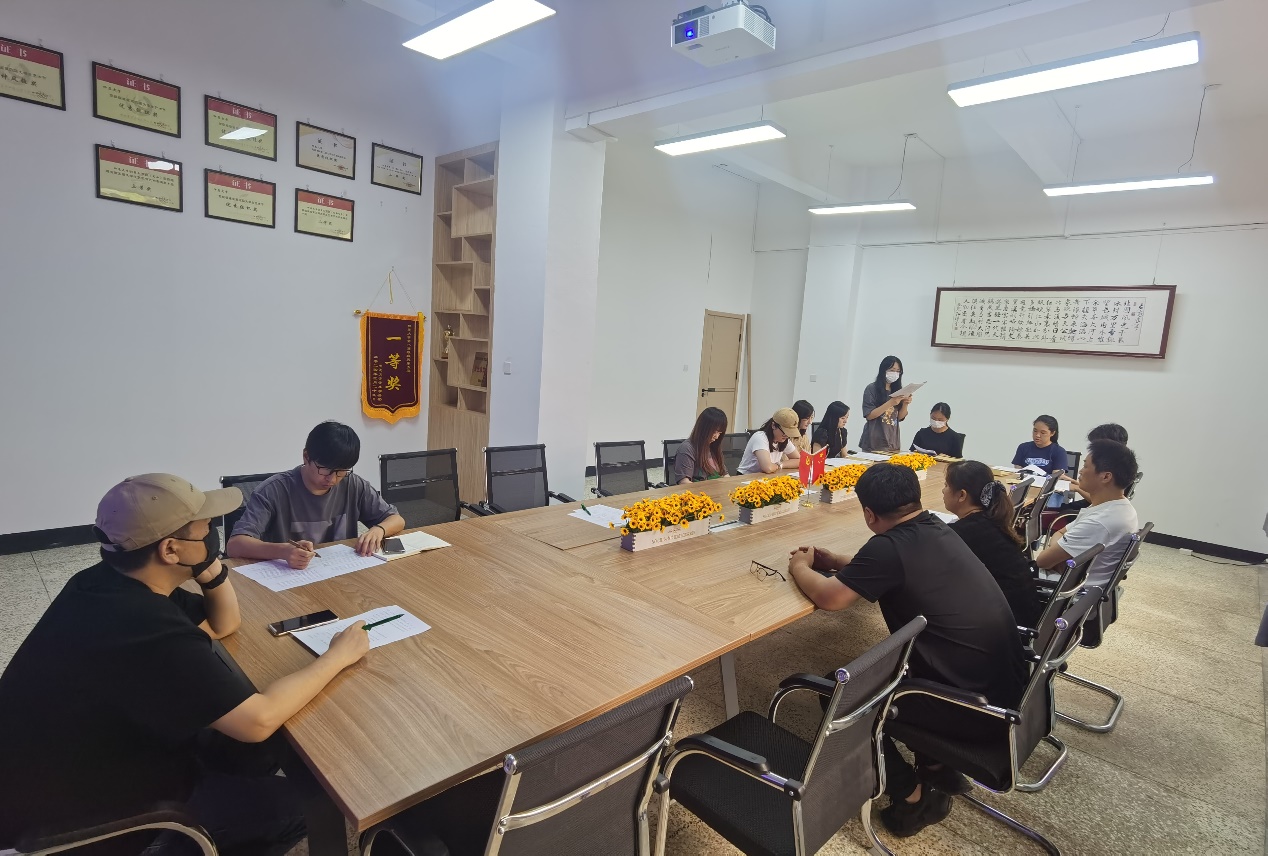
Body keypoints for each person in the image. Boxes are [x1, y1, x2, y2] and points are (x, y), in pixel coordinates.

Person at [0, 474, 370, 855]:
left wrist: (209, 569)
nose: (212, 535)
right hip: (93, 820)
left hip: (95, 760)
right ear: (170, 550)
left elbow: (224, 623)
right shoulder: (147, 628)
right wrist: (337, 656)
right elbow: (257, 720)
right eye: (204, 529)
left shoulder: (107, 582)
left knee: (265, 747)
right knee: (304, 804)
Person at [786, 464, 1028, 837]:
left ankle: (912, 795)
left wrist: (800, 566)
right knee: (879, 676)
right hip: (1005, 692)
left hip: (972, 709)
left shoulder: (890, 547)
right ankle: (937, 769)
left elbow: (830, 598)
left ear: (869, 514)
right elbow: (888, 565)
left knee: (838, 694)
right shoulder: (936, 528)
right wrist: (836, 561)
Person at [227, 421, 406, 568]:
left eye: (341, 471)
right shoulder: (273, 490)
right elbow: (235, 545)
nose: (333, 479)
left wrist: (379, 529)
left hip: (339, 572)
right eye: (325, 470)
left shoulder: (353, 484)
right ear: (306, 457)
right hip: (289, 577)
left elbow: (397, 520)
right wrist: (283, 551)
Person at [942, 461, 1043, 627]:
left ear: (962, 495)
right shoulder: (993, 521)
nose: (943, 490)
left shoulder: (961, 534)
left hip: (1003, 628)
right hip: (1025, 617)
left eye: (946, 485)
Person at [1035, 439, 1140, 585]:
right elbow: (1060, 533)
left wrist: (1057, 554)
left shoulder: (1100, 522)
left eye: (1085, 466)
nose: (1080, 471)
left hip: (1060, 587)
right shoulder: (1117, 506)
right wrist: (1059, 552)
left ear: (1106, 477)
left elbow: (1042, 561)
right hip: (1075, 582)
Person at [860, 356, 912, 453]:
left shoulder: (898, 390)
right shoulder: (872, 388)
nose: (895, 373)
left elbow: (899, 417)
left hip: (892, 440)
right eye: (892, 370)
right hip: (874, 440)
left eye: (898, 371)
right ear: (883, 370)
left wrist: (905, 404)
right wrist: (891, 402)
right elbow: (869, 415)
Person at [737, 408, 802, 475]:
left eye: (789, 433)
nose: (786, 436)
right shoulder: (760, 437)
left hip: (765, 476)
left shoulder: (784, 439)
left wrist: (780, 464)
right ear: (773, 425)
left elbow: (800, 461)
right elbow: (768, 468)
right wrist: (776, 466)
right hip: (746, 477)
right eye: (784, 432)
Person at [674, 406, 728, 484]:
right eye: (714, 432)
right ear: (704, 429)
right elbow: (684, 482)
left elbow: (725, 474)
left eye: (720, 433)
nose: (717, 437)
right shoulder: (687, 448)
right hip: (698, 491)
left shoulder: (713, 446)